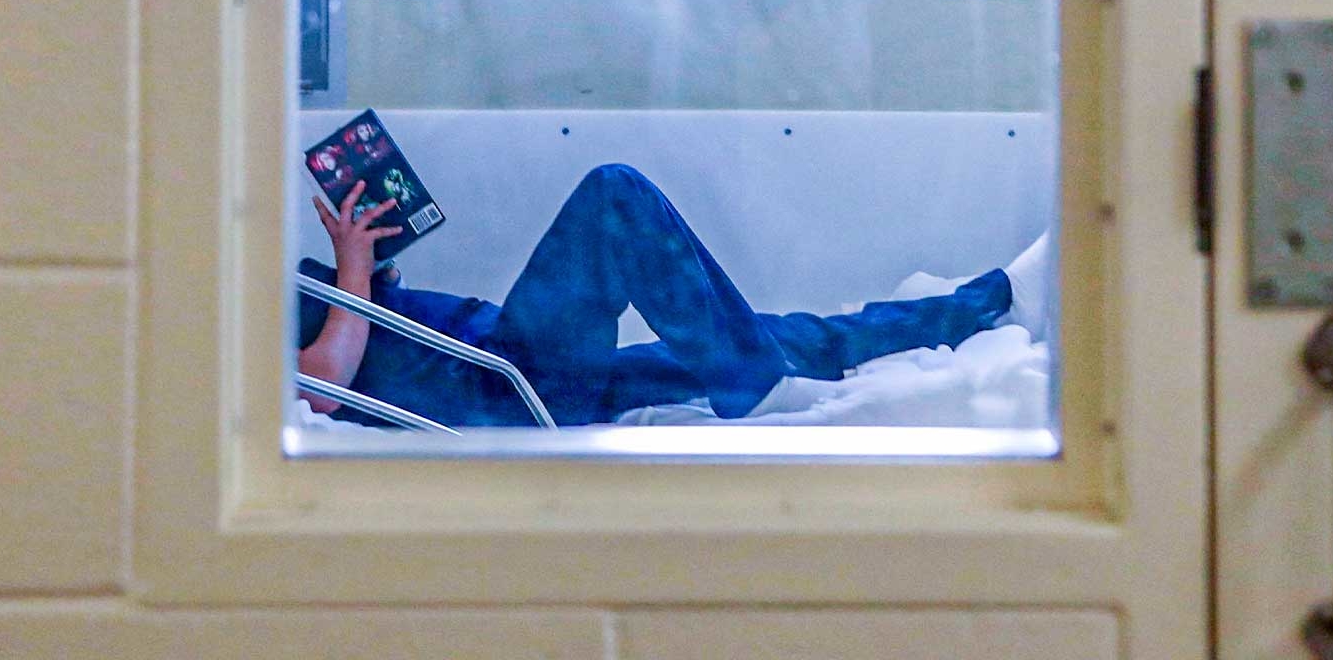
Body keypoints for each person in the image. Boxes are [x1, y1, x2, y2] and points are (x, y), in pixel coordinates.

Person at [298, 163, 1049, 428]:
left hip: (518, 368)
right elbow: (320, 391)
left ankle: (991, 297)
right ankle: (753, 388)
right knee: (613, 197)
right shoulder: (238, 326)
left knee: (781, 334)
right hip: (502, 386)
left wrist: (368, 265)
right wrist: (353, 271)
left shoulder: (288, 282)